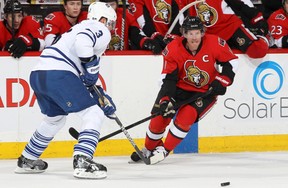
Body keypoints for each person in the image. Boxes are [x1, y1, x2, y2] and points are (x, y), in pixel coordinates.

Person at [14, 2, 117, 179]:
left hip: (40, 73)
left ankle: (28, 158)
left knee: (55, 119)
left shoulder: (78, 28)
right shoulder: (98, 28)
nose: (111, 28)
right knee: (93, 114)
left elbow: (84, 71)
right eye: (111, 23)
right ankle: (83, 161)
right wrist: (92, 70)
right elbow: (84, 45)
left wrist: (100, 95)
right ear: (102, 19)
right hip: (59, 73)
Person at [130, 16, 238, 164]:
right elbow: (169, 78)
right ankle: (148, 149)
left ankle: (164, 150)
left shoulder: (214, 43)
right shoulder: (173, 48)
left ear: (202, 33)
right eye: (190, 33)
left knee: (186, 116)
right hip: (178, 88)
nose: (194, 37)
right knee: (159, 117)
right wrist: (166, 99)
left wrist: (222, 81)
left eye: (197, 32)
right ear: (184, 34)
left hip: (204, 92)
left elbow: (231, 62)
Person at [189, 0, 270, 59]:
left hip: (231, 28)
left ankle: (263, 38)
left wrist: (256, 17)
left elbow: (241, 5)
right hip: (208, 35)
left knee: (257, 50)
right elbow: (182, 17)